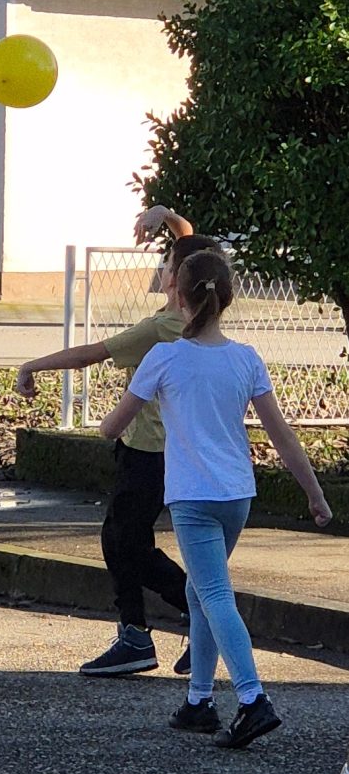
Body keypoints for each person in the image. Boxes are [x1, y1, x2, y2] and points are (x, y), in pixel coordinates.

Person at [99, 248, 332, 748]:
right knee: (200, 593)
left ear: (178, 297)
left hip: (193, 498)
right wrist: (314, 494)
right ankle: (198, 700)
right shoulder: (245, 358)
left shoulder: (164, 356)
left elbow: (112, 427)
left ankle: (252, 699)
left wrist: (112, 423)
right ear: (226, 299)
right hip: (236, 496)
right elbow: (282, 435)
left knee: (215, 595)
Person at [15, 208, 220, 680]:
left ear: (176, 280)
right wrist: (166, 216)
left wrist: (31, 366)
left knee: (125, 543)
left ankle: (177, 623)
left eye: (167, 263)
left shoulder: (158, 329)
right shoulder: (194, 315)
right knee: (123, 538)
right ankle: (154, 628)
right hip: (170, 449)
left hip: (147, 451)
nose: (162, 267)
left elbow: (90, 354)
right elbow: (191, 243)